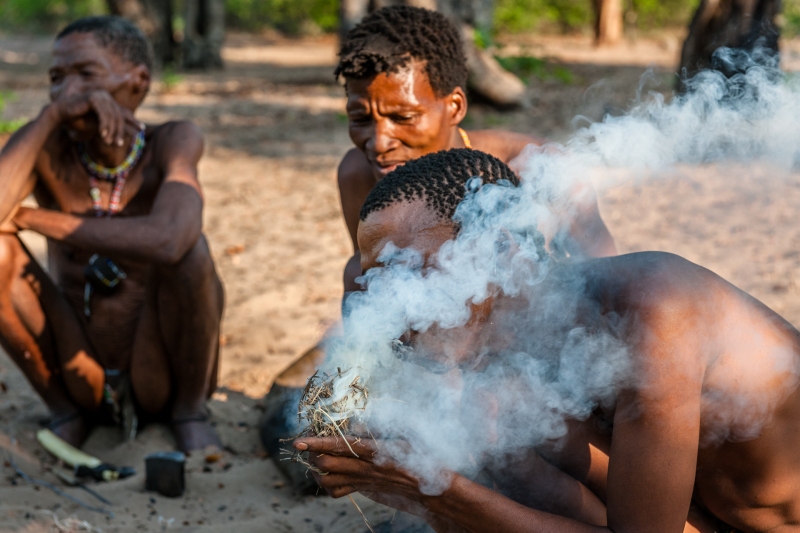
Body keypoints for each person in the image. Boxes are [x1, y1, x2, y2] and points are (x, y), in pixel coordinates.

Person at [293, 148, 800, 532]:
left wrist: (438, 492)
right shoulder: (497, 347)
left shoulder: (654, 311)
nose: (395, 302)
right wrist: (398, 467)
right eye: (379, 281)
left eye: (408, 272)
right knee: (494, 439)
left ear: (499, 251)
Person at [262, 7, 616, 477]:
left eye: (402, 116)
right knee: (304, 446)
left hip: (534, 367)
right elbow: (376, 291)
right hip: (428, 363)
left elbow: (606, 289)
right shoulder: (358, 174)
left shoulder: (536, 169)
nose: (379, 141)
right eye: (360, 118)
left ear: (453, 106)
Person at [0, 16, 223, 452]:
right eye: (56, 78)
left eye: (86, 74)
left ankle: (189, 412)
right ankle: (65, 411)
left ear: (137, 84)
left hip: (159, 367)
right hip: (79, 365)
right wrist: (48, 118)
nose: (67, 91)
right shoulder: (47, 149)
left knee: (193, 252)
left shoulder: (172, 140)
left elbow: (171, 238)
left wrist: (30, 219)